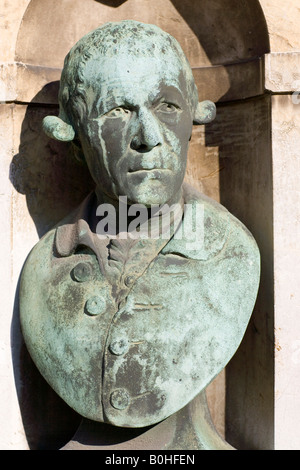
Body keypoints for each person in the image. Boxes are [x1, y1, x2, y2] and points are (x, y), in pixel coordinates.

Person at [19, 20, 260, 447]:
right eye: (118, 112)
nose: (149, 137)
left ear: (193, 119)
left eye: (166, 107)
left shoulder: (232, 255)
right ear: (74, 138)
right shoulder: (45, 269)